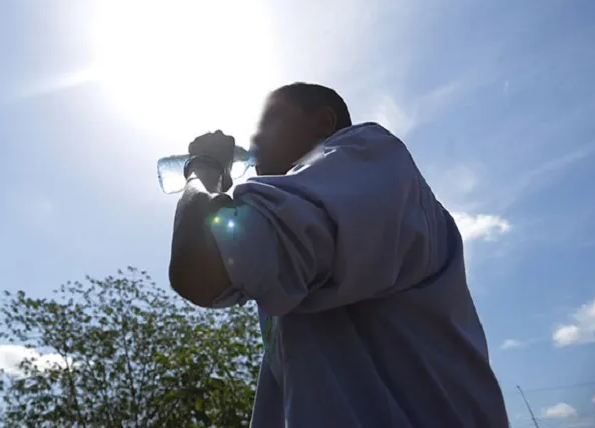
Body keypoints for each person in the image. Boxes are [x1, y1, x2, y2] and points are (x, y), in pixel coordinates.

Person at [169, 82, 509, 427]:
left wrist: (204, 167)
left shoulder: (368, 154)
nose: (254, 140)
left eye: (269, 121)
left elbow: (199, 268)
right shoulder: (300, 244)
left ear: (325, 123)